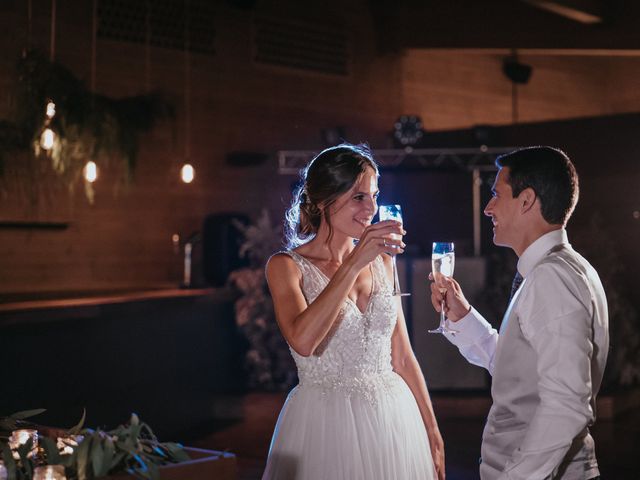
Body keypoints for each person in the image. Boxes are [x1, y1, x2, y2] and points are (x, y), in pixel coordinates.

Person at [263, 143, 444, 480]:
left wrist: (431, 430)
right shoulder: (286, 267)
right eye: (359, 197)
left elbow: (402, 356)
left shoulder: (385, 261)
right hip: (324, 424)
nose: (371, 208)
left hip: (393, 420)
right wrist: (354, 262)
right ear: (323, 201)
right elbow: (303, 341)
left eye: (375, 196)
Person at [430, 146, 609, 479]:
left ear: (526, 200)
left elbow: (567, 403)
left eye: (497, 195)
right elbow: (521, 371)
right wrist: (464, 317)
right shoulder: (564, 269)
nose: (488, 208)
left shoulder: (550, 277)